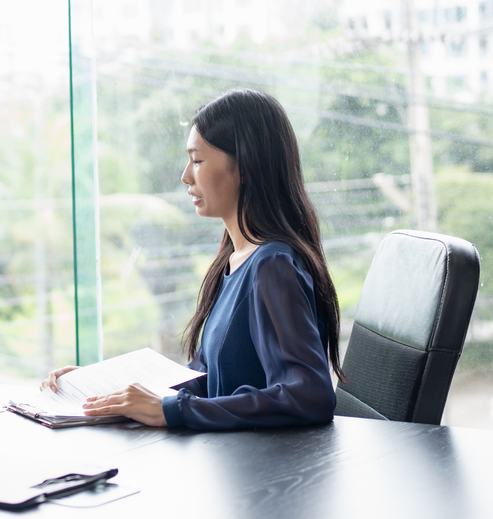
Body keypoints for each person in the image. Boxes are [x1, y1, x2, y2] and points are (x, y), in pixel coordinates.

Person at [74, 88, 340, 431]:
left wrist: (177, 410)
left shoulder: (272, 267)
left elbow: (309, 395)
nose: (186, 176)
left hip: (260, 462)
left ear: (245, 167)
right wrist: (102, 388)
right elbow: (210, 377)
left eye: (197, 160)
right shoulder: (234, 260)